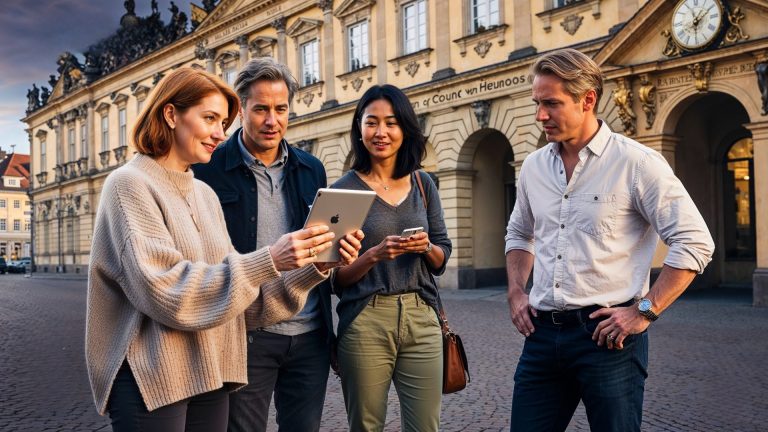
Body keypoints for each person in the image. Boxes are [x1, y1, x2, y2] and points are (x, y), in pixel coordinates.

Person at [85, 67, 343, 432]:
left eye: (223, 121)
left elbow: (239, 301)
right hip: (154, 374)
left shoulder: (204, 194)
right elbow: (167, 292)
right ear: (171, 114)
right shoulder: (129, 184)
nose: (221, 133)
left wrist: (313, 268)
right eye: (210, 119)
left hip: (212, 371)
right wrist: (270, 259)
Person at [504, 48, 715, 431]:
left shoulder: (637, 163)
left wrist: (644, 311)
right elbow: (520, 232)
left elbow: (695, 241)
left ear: (588, 100)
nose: (540, 116)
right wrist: (517, 291)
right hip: (542, 335)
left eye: (551, 104)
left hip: (608, 336)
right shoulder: (533, 167)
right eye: (537, 103)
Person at [192, 56, 363, 432]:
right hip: (245, 334)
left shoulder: (311, 167)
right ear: (240, 111)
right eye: (261, 110)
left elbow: (319, 249)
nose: (272, 121)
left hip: (309, 334)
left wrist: (339, 250)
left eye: (281, 109)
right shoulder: (207, 169)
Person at [331, 84, 452, 432]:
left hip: (422, 316)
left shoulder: (423, 183)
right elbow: (334, 279)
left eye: (392, 122)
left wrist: (426, 247)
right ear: (359, 127)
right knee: (366, 426)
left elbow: (442, 257)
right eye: (371, 122)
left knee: (425, 427)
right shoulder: (342, 190)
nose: (381, 132)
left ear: (405, 129)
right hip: (365, 319)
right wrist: (372, 256)